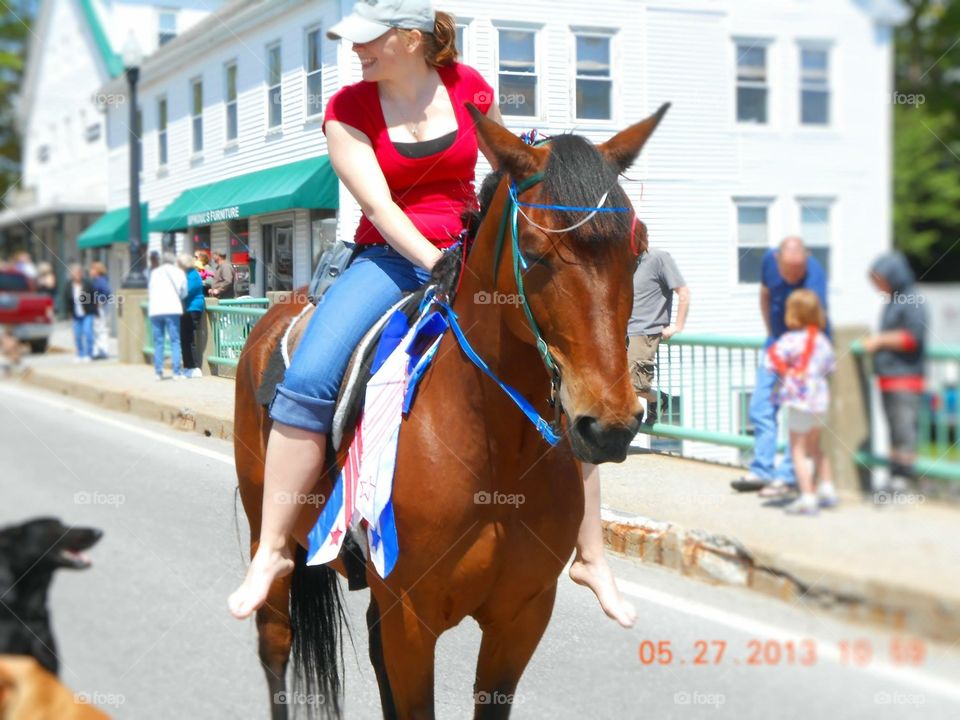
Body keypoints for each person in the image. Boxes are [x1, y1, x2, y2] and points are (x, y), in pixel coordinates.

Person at [228, 1, 636, 629]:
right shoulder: (347, 110)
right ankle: (276, 548)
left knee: (556, 363)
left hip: (470, 248)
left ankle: (590, 553)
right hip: (385, 258)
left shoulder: (470, 88)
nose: (354, 51)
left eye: (368, 40)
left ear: (411, 40)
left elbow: (505, 175)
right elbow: (381, 206)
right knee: (308, 378)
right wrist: (434, 261)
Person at [731, 236, 829, 497]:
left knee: (797, 413)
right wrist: (772, 334)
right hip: (777, 344)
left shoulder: (814, 276)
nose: (795, 276)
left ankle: (787, 476)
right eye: (790, 270)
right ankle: (762, 470)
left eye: (799, 270)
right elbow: (765, 294)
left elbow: (818, 320)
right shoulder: (768, 261)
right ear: (778, 260)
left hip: (804, 350)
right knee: (760, 406)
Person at [765, 290, 837, 515]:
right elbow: (830, 367)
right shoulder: (822, 340)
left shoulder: (789, 340)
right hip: (819, 401)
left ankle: (807, 496)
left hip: (798, 402)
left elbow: (771, 363)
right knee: (816, 447)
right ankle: (827, 489)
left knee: (797, 450)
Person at [864, 252, 927, 492]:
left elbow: (913, 337)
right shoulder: (893, 300)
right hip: (889, 378)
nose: (879, 286)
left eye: (880, 279)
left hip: (906, 377)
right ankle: (893, 478)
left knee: (904, 432)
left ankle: (903, 481)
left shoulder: (912, 300)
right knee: (893, 432)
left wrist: (880, 341)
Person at [626, 245, 689, 421]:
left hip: (645, 332)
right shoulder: (625, 262)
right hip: (623, 333)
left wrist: (677, 325)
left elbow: (683, 292)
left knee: (634, 386)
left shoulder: (658, 258)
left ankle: (659, 399)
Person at [147, 252, 187, 381]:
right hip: (172, 308)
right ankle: (176, 372)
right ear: (173, 261)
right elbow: (184, 292)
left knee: (158, 342)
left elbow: (151, 290)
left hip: (156, 310)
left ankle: (158, 372)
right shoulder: (178, 272)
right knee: (175, 341)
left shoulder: (154, 272)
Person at [178, 253, 205, 378]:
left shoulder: (193, 275)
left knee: (188, 339)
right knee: (185, 339)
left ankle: (194, 367)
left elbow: (185, 292)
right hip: (186, 309)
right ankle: (188, 366)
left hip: (192, 309)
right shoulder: (186, 274)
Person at [63, 264, 97, 362]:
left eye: (78, 273)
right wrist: (68, 312)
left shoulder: (88, 283)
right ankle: (80, 353)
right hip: (76, 314)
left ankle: (89, 354)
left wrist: (95, 308)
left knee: (88, 332)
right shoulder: (68, 285)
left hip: (88, 313)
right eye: (74, 273)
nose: (77, 275)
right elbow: (65, 299)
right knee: (77, 335)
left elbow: (94, 296)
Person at [88, 262, 113, 360]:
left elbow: (107, 293)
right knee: (98, 330)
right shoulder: (97, 281)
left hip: (100, 309)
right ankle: (99, 351)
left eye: (92, 269)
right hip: (98, 308)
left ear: (97, 271)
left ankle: (102, 351)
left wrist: (98, 300)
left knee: (100, 330)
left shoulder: (100, 281)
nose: (90, 271)